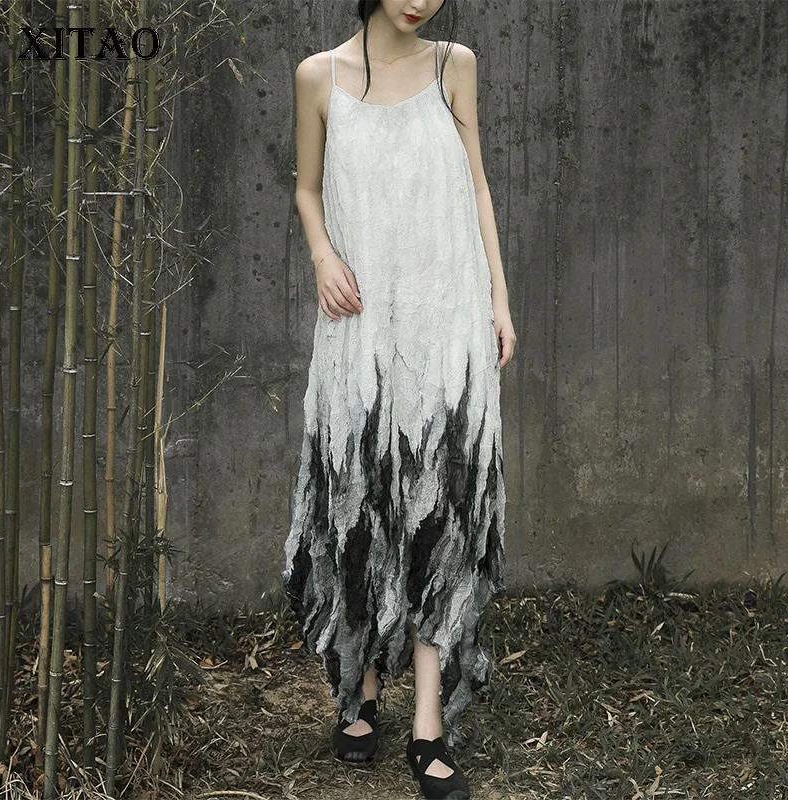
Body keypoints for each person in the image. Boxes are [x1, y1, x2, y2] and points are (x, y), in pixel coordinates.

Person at [281, 1, 516, 797]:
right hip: (361, 325)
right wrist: (322, 255)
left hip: (448, 319)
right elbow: (307, 188)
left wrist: (499, 300)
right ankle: (360, 685)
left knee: (441, 514)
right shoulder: (320, 76)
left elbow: (477, 187)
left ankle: (427, 723)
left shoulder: (456, 65)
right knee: (360, 503)